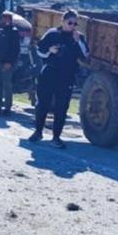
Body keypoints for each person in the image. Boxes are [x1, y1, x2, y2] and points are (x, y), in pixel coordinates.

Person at [29, 9, 89, 149]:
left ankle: (56, 137)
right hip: (49, 73)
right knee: (42, 103)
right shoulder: (52, 33)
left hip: (66, 76)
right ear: (63, 21)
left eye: (75, 24)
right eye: (70, 23)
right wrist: (49, 51)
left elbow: (85, 54)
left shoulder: (78, 37)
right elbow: (39, 50)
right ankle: (38, 132)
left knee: (62, 107)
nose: (72, 26)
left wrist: (78, 41)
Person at [0, 11, 22, 115]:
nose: (1, 20)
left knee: (7, 86)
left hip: (6, 63)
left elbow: (15, 49)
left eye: (3, 18)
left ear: (8, 19)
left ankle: (7, 108)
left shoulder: (13, 32)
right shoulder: (0, 31)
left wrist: (9, 62)